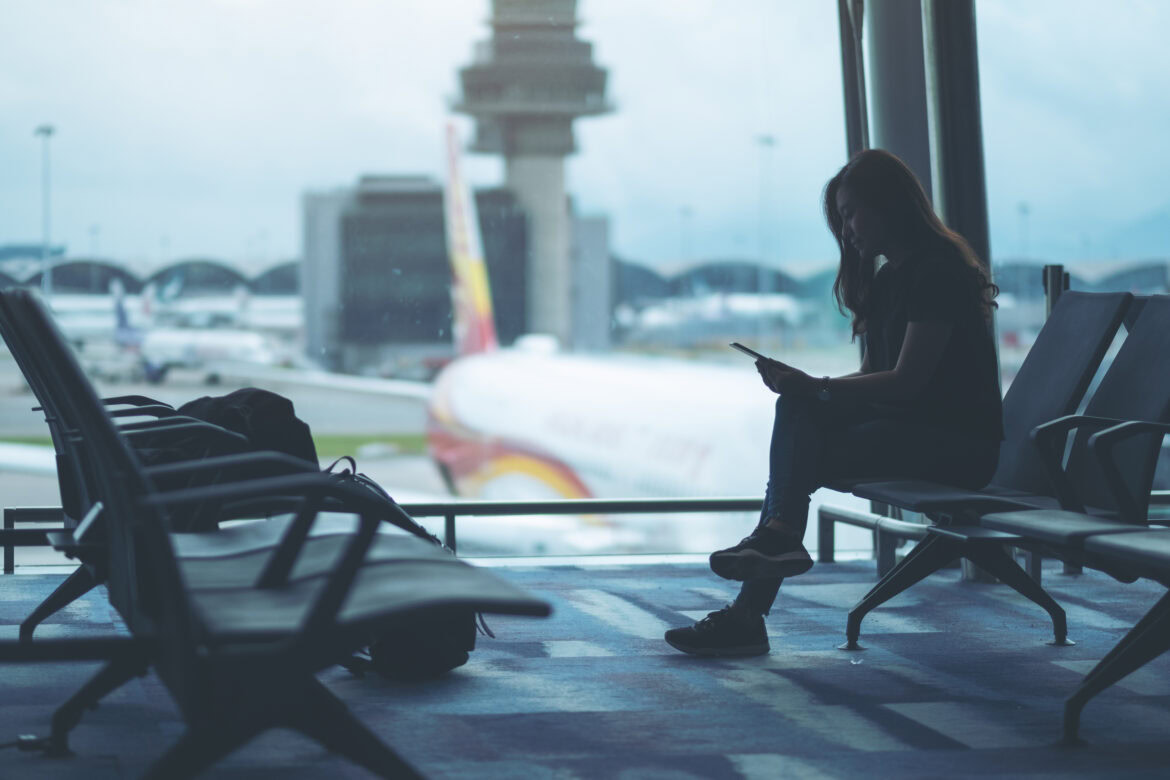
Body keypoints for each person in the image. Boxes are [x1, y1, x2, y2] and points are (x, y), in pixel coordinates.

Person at [664, 149, 1003, 657]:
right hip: (910, 433)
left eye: (850, 213)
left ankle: (754, 597)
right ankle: (772, 551)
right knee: (798, 410)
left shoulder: (938, 274)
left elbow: (907, 384)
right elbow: (873, 375)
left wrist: (817, 386)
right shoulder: (893, 277)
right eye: (840, 218)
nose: (845, 229)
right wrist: (808, 388)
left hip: (957, 447)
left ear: (889, 206)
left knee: (801, 445)